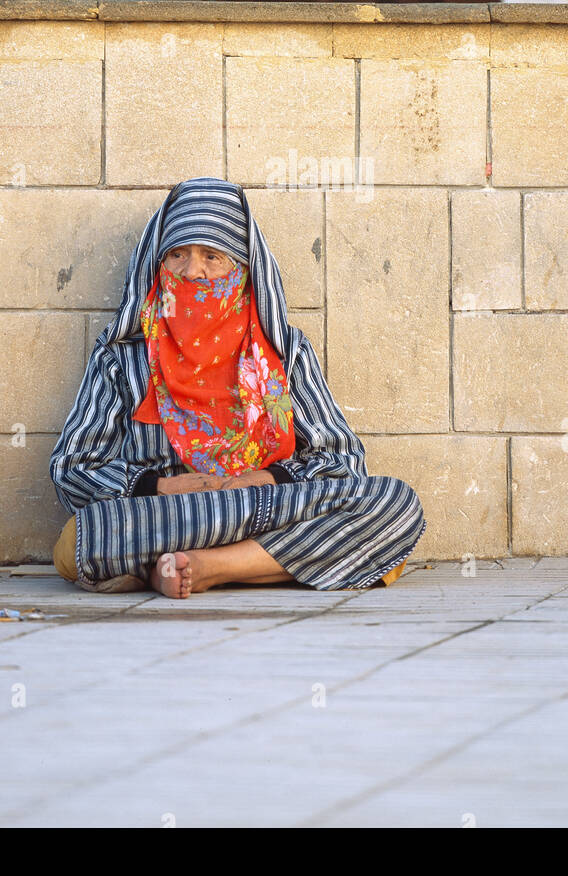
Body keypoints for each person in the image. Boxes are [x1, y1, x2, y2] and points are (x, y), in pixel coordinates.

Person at [50, 176, 426, 596]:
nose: (192, 271)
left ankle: (207, 567)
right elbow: (72, 469)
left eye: (212, 255)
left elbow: (341, 462)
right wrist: (160, 486)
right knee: (78, 540)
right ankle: (261, 562)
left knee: (394, 503)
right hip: (172, 515)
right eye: (177, 254)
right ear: (157, 262)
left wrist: (267, 480)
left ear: (243, 268)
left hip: (264, 508)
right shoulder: (124, 356)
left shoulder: (283, 353)